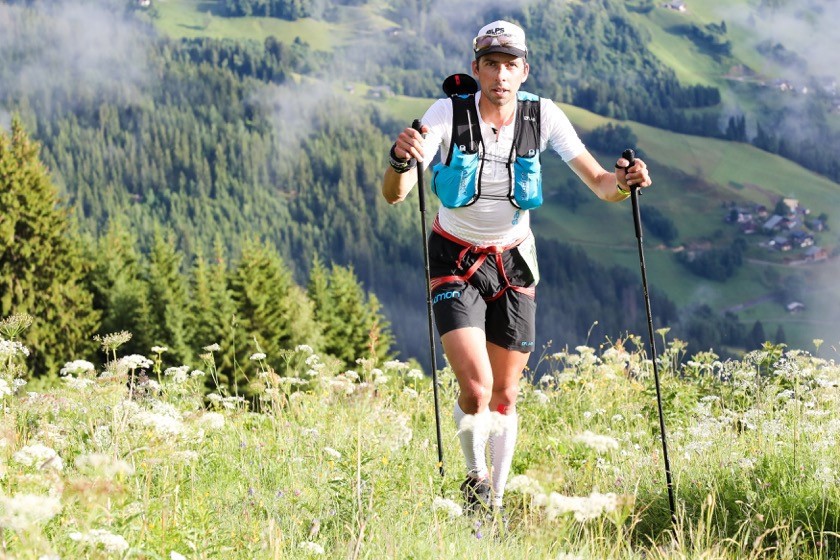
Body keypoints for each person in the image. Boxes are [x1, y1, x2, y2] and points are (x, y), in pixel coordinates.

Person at [381, 19, 652, 513]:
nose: (500, 75)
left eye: (510, 65)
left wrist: (626, 182)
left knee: (505, 394)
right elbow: (396, 196)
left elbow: (600, 184)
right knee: (476, 387)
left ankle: (496, 505)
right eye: (491, 64)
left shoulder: (542, 117)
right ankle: (475, 479)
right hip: (454, 257)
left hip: (515, 261)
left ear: (524, 70)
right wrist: (400, 163)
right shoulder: (447, 112)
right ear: (476, 68)